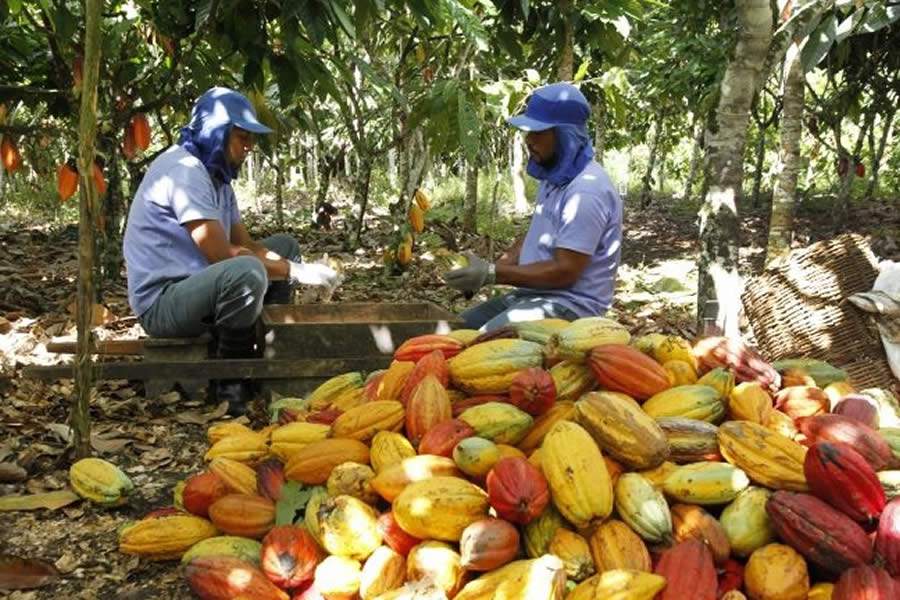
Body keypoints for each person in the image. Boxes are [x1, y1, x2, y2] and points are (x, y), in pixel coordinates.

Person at [123, 87, 339, 414]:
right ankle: (232, 384)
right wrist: (297, 272)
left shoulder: (218, 179)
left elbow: (249, 245)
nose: (249, 147)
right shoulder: (185, 171)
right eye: (241, 138)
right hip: (163, 303)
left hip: (195, 286)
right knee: (247, 270)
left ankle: (268, 351)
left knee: (285, 247)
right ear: (216, 135)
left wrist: (295, 264)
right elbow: (223, 256)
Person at [444, 82, 623, 331]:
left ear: (564, 135)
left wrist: (493, 274)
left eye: (538, 133)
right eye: (528, 132)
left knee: (477, 343)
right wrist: (486, 271)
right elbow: (535, 236)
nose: (529, 140)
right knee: (452, 331)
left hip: (570, 307)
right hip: (533, 295)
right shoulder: (555, 178)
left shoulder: (586, 192)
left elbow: (565, 271)